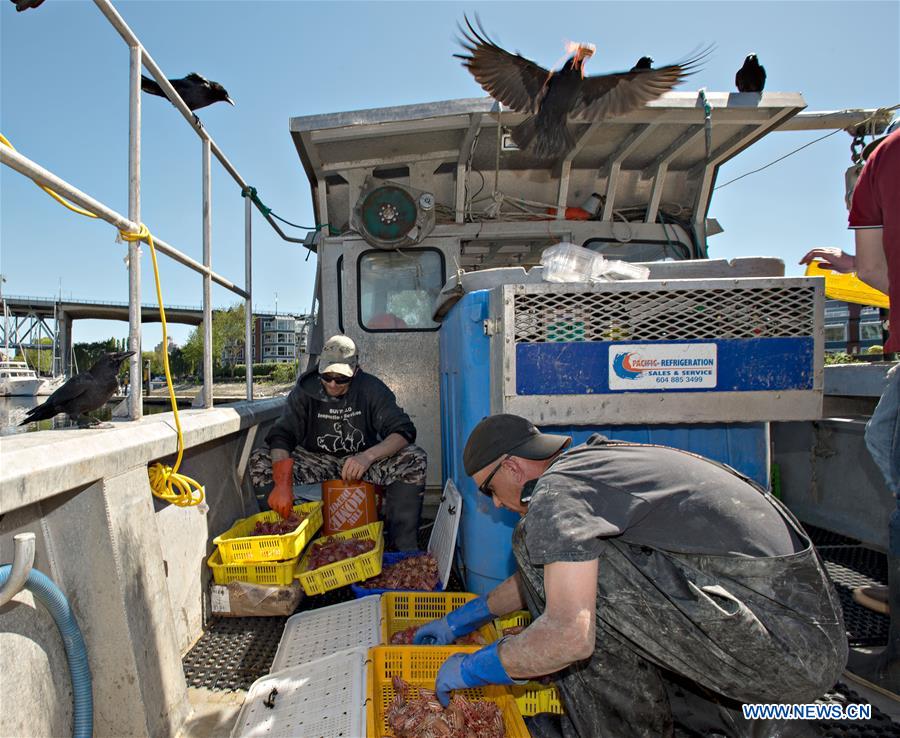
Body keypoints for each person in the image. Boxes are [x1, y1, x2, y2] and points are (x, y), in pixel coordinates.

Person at [416, 414, 847, 737]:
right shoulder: (588, 468)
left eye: (488, 489)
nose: (492, 504)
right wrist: (467, 618)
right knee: (560, 565)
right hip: (791, 624)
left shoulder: (556, 495)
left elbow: (570, 634)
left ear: (511, 467)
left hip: (785, 649)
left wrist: (474, 669)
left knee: (559, 596)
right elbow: (560, 570)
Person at [799, 123, 899, 692]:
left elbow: (877, 271)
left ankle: (894, 655)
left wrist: (848, 263)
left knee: (886, 441)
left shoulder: (883, 159)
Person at [248, 335, 426, 551]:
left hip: (360, 461)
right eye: (327, 376)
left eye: (341, 379)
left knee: (414, 458)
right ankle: (285, 541)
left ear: (356, 371)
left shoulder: (371, 388)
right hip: (316, 460)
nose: (332, 383)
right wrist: (282, 482)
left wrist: (368, 456)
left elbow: (403, 430)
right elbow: (281, 436)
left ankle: (401, 548)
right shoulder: (304, 390)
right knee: (261, 459)